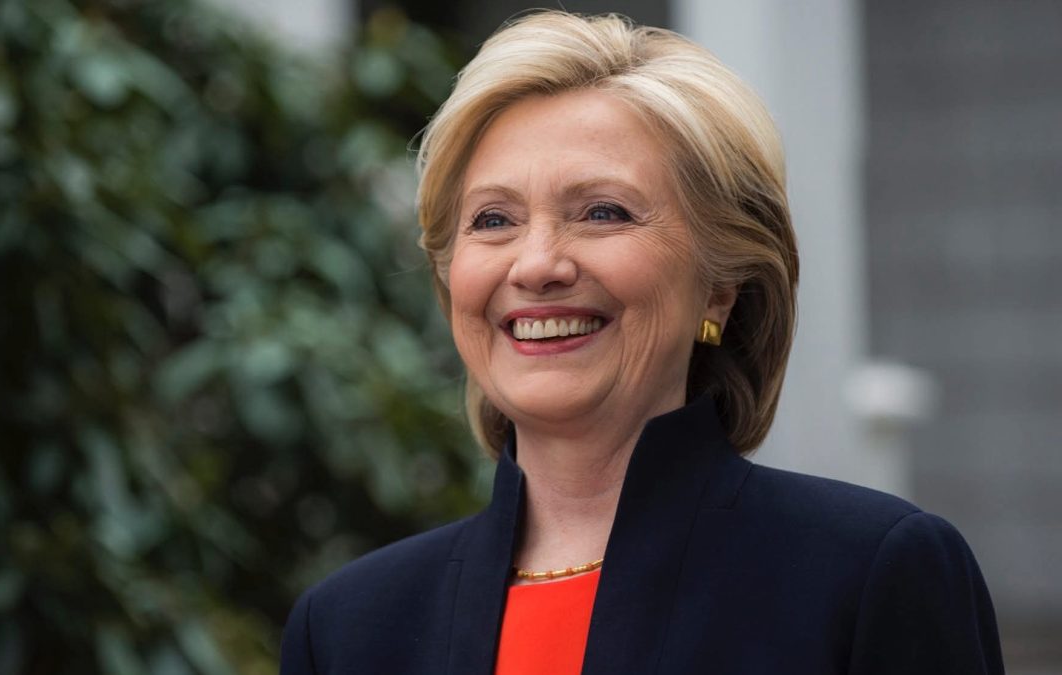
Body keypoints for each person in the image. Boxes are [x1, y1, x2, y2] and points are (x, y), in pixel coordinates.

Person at [281, 11, 1003, 674]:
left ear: (720, 285)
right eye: (494, 220)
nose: (536, 265)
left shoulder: (871, 573)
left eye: (602, 211)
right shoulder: (347, 627)